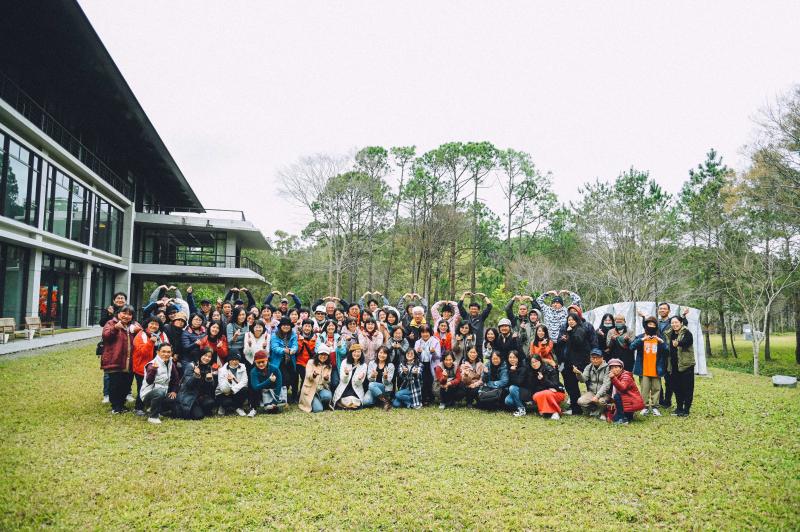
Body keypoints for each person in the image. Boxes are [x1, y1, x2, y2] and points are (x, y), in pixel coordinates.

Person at [101, 305, 141, 414]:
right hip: (115, 360)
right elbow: (105, 336)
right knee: (115, 385)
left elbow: (142, 336)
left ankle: (121, 405)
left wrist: (138, 331)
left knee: (126, 384)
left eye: (129, 314)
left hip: (130, 362)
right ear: (118, 314)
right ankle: (116, 407)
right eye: (124, 313)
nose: (126, 316)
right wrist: (115, 328)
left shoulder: (134, 325)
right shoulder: (111, 323)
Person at [630, 316, 668, 416]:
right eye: (649, 324)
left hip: (656, 368)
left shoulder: (660, 337)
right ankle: (645, 407)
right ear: (646, 325)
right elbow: (631, 347)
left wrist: (661, 342)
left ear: (656, 326)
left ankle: (655, 407)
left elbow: (667, 350)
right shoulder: (640, 337)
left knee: (656, 389)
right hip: (644, 369)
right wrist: (642, 340)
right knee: (644, 389)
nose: (651, 326)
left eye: (653, 324)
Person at [132, 316, 170, 416]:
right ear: (147, 324)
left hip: (158, 366)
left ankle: (152, 407)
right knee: (143, 387)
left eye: (156, 324)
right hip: (142, 366)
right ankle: (138, 408)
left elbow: (167, 348)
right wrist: (151, 341)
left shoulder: (162, 335)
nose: (154, 326)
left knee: (156, 386)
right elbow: (142, 352)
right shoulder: (140, 335)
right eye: (151, 323)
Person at [139, 343, 180, 424]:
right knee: (159, 392)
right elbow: (149, 381)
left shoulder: (170, 363)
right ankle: (153, 416)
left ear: (171, 353)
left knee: (174, 398)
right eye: (163, 351)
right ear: (158, 352)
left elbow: (176, 379)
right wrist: (153, 370)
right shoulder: (152, 364)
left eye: (168, 352)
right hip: (148, 395)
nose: (166, 354)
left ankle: (158, 410)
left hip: (163, 393)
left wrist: (174, 391)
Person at [98, 291, 127, 404]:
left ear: (125, 300)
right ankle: (106, 394)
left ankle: (127, 393)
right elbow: (102, 323)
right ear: (114, 300)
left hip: (124, 342)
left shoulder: (128, 310)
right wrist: (109, 314)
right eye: (118, 298)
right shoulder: (109, 310)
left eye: (122, 298)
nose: (120, 300)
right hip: (111, 341)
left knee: (125, 370)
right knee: (109, 370)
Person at [173, 348, 218, 420]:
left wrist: (209, 380)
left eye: (209, 357)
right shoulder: (191, 365)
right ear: (200, 355)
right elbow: (188, 384)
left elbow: (209, 388)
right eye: (205, 355)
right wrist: (196, 376)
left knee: (210, 402)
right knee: (198, 416)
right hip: (189, 395)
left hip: (200, 396)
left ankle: (199, 408)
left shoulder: (209, 368)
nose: (207, 358)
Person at [561, 312, 591, 415]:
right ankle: (575, 408)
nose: (571, 322)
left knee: (585, 384)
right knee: (570, 385)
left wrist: (570, 334)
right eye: (569, 320)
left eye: (573, 320)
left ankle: (590, 407)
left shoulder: (580, 329)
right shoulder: (570, 330)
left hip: (579, 363)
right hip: (569, 362)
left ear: (577, 320)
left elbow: (578, 341)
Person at [666, 315, 695, 417]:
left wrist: (678, 343)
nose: (674, 324)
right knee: (677, 387)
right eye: (672, 323)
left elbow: (688, 342)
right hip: (674, 366)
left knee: (687, 388)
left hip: (686, 365)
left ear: (681, 323)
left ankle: (686, 410)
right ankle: (679, 408)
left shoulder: (687, 333)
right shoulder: (670, 334)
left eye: (676, 322)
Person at [574, 348, 611, 419]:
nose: (595, 360)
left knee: (601, 401)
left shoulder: (607, 368)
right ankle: (594, 409)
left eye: (597, 358)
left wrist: (597, 396)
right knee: (580, 401)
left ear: (602, 358)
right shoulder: (589, 367)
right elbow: (583, 380)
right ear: (590, 358)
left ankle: (604, 410)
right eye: (593, 358)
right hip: (592, 392)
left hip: (604, 394)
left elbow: (606, 385)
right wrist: (578, 374)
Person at [608, 357, 645, 424]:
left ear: (621, 368)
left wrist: (613, 378)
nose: (614, 369)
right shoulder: (617, 376)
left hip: (631, 403)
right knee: (612, 418)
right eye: (612, 368)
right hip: (627, 402)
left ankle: (623, 418)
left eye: (616, 367)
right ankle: (627, 416)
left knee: (617, 396)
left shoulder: (625, 376)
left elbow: (622, 388)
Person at [529, 354, 567, 420]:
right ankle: (547, 412)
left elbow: (555, 384)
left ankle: (555, 412)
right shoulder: (531, 372)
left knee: (546, 393)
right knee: (537, 395)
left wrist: (543, 379)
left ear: (540, 361)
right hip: (544, 393)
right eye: (532, 362)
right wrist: (547, 388)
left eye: (536, 361)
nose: (534, 364)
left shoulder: (549, 369)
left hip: (557, 392)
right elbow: (534, 388)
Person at [270, 317, 298, 403]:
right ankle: (283, 398)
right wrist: (284, 350)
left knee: (294, 377)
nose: (286, 326)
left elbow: (295, 345)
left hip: (290, 360)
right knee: (285, 378)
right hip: (279, 361)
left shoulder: (293, 334)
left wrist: (293, 350)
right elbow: (274, 348)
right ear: (280, 326)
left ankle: (294, 397)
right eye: (284, 325)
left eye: (288, 325)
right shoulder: (275, 335)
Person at [299, 345, 334, 413]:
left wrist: (326, 379)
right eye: (321, 354)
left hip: (320, 389)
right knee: (318, 409)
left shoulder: (329, 365)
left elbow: (328, 381)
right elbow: (308, 376)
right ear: (318, 354)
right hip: (310, 389)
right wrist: (314, 375)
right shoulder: (311, 362)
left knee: (328, 395)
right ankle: (314, 401)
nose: (323, 356)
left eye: (325, 354)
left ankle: (318, 400)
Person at [332, 344, 368, 410]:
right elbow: (343, 380)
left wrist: (359, 379)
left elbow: (358, 383)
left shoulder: (364, 365)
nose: (356, 354)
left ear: (361, 353)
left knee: (354, 400)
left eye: (358, 352)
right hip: (345, 387)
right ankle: (347, 405)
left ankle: (346, 405)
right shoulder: (344, 362)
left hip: (356, 388)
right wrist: (346, 374)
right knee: (347, 399)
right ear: (351, 353)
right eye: (354, 352)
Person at [457, 291, 492, 357]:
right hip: (467, 343)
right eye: (472, 309)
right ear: (469, 310)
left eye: (475, 309)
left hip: (478, 344)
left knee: (479, 360)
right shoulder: (466, 316)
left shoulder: (481, 317)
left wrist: (484, 296)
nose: (473, 310)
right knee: (466, 359)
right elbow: (459, 305)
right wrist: (464, 294)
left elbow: (489, 307)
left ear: (478, 310)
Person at [249, 351, 284, 416]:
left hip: (272, 392)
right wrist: (269, 380)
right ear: (255, 362)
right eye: (258, 362)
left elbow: (279, 385)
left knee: (273, 411)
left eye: (263, 362)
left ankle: (271, 403)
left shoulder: (275, 369)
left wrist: (275, 401)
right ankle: (253, 408)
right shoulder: (253, 371)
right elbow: (255, 387)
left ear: (267, 360)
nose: (261, 364)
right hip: (260, 391)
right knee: (252, 388)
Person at [414, 325, 441, 405]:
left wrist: (433, 352)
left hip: (432, 364)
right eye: (423, 332)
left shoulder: (435, 341)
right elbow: (415, 356)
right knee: (423, 381)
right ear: (420, 333)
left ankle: (431, 398)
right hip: (422, 364)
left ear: (430, 332)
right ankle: (424, 398)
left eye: (427, 332)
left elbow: (439, 356)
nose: (425, 334)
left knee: (431, 380)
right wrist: (418, 353)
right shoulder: (417, 342)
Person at [363, 346, 395, 410]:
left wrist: (385, 377)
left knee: (371, 384)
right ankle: (384, 400)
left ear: (387, 355)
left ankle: (384, 401)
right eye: (380, 353)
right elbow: (369, 379)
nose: (382, 355)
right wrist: (372, 376)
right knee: (366, 402)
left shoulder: (390, 365)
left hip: (385, 388)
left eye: (384, 353)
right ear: (377, 353)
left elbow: (387, 383)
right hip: (373, 388)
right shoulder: (372, 363)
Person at [294, 319, 317, 403]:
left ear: (312, 328)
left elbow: (313, 351)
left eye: (309, 326)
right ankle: (294, 395)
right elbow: (297, 350)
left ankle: (301, 395)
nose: (307, 328)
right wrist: (300, 340)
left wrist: (312, 341)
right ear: (302, 327)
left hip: (309, 362)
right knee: (295, 379)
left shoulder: (315, 337)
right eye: (305, 326)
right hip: (298, 361)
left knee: (305, 379)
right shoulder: (297, 336)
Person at [504, 350, 531, 417]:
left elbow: (518, 382)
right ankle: (526, 405)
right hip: (516, 391)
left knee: (512, 387)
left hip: (525, 391)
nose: (512, 359)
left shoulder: (523, 368)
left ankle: (521, 409)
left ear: (518, 358)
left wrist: (513, 372)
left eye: (514, 357)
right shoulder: (509, 367)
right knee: (508, 401)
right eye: (510, 357)